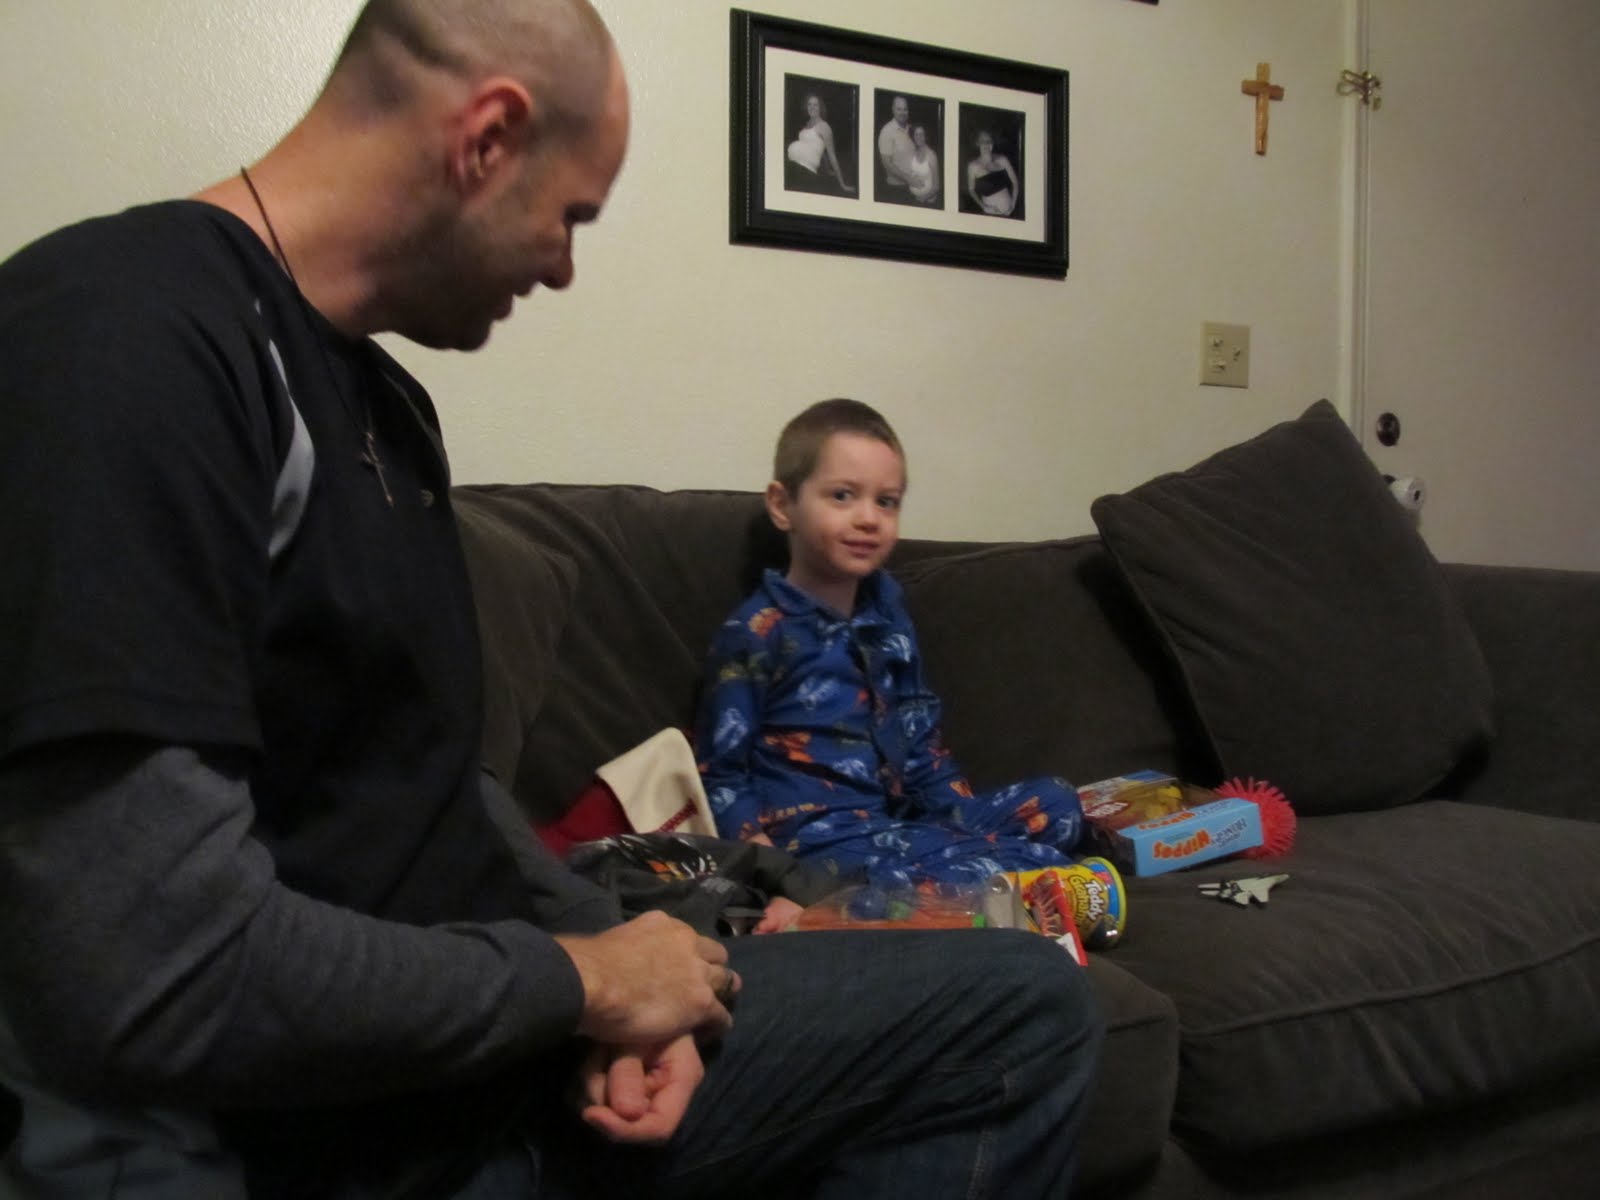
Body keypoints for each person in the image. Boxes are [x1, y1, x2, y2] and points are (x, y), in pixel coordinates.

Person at [0, 2, 1102, 1198]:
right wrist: (580, 985)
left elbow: (436, 790)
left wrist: (634, 962)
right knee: (1011, 1024)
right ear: (487, 139)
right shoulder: (125, 340)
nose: (564, 267)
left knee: (1022, 998)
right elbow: (150, 974)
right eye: (570, 215)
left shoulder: (389, 410)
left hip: (487, 1050)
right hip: (327, 1133)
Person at [694, 399, 1086, 893]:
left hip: (901, 826)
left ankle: (994, 868)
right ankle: (1007, 876)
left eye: (887, 501)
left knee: (1059, 804)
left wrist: (963, 822)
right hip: (820, 845)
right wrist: (770, 873)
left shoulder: (888, 612)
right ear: (782, 505)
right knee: (989, 868)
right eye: (842, 496)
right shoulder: (757, 631)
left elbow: (918, 734)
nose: (869, 518)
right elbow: (721, 774)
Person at [784, 93, 854, 195]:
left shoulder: (824, 127)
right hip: (792, 164)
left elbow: (832, 156)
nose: (812, 107)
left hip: (805, 171)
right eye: (809, 104)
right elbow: (820, 150)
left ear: (820, 107)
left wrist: (843, 185)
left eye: (815, 105)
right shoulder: (807, 123)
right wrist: (828, 169)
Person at [966, 130, 1020, 216]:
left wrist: (1013, 205)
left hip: (1008, 211)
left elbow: (1015, 182)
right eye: (982, 141)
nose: (986, 144)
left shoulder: (1002, 159)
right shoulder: (973, 166)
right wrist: (983, 206)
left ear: (993, 143)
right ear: (977, 143)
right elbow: (971, 190)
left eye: (989, 141)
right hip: (989, 212)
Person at [876, 94, 915, 200]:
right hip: (896, 190)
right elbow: (887, 163)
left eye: (905, 109)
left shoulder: (911, 129)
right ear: (893, 110)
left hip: (913, 187)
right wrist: (909, 179)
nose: (902, 112)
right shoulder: (887, 131)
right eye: (899, 109)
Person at [907, 123, 940, 206]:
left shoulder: (931, 155)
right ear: (913, 136)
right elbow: (912, 173)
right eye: (916, 134)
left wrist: (923, 198)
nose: (919, 137)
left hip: (927, 201)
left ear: (926, 136)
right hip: (913, 197)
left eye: (921, 134)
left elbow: (936, 186)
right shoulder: (914, 152)